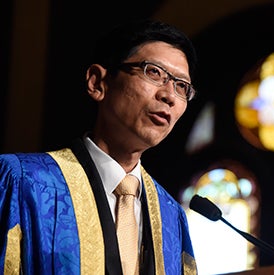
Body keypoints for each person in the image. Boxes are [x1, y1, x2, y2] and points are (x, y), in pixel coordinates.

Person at [0, 19, 198, 275]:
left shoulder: (172, 217)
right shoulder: (23, 181)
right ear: (97, 83)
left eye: (181, 86)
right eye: (154, 72)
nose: (169, 95)